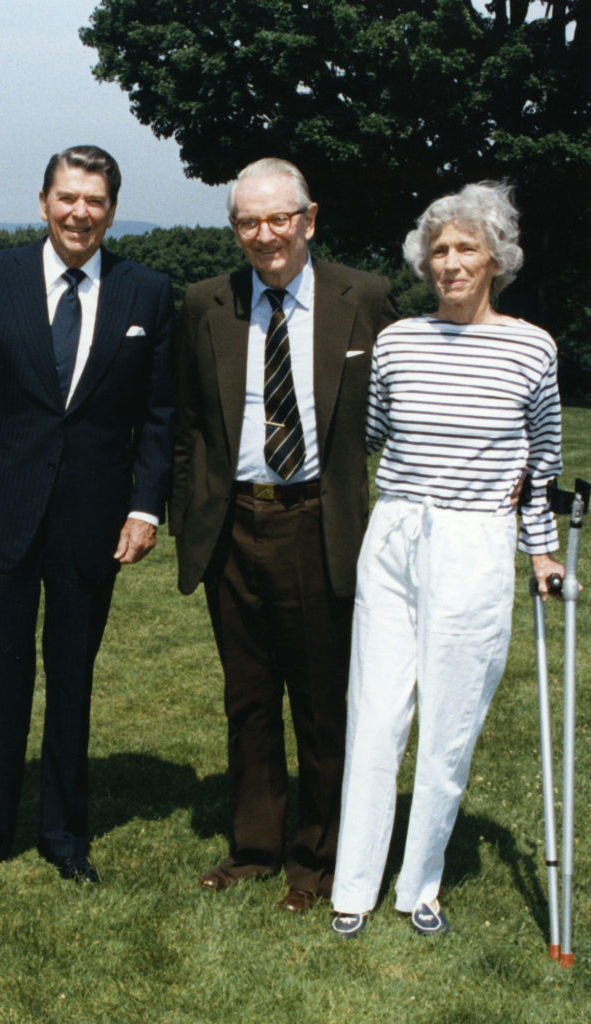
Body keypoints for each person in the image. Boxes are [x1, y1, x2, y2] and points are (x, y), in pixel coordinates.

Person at [329, 182, 565, 937]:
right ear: (423, 263)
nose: (451, 262)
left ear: (496, 256)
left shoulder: (532, 346)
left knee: (450, 721)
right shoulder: (398, 340)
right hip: (396, 533)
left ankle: (419, 884)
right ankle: (353, 887)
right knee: (374, 710)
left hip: (475, 541)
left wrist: (543, 553)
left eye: (466, 247)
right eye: (439, 250)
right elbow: (368, 436)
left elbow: (543, 461)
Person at [0, 145, 173, 884]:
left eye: (95, 200)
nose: (80, 213)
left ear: (111, 209)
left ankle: (65, 834)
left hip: (92, 520)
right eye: (68, 198)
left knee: (72, 675)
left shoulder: (147, 292)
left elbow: (161, 416)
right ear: (44, 202)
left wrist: (145, 506)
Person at [171, 157, 397, 909]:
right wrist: (190, 510)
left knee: (322, 701)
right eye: (248, 221)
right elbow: (189, 424)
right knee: (249, 697)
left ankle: (319, 859)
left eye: (279, 219)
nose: (265, 235)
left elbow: (403, 402)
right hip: (233, 522)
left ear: (309, 218)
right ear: (234, 228)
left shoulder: (362, 298)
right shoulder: (206, 303)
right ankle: (255, 847)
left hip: (319, 521)